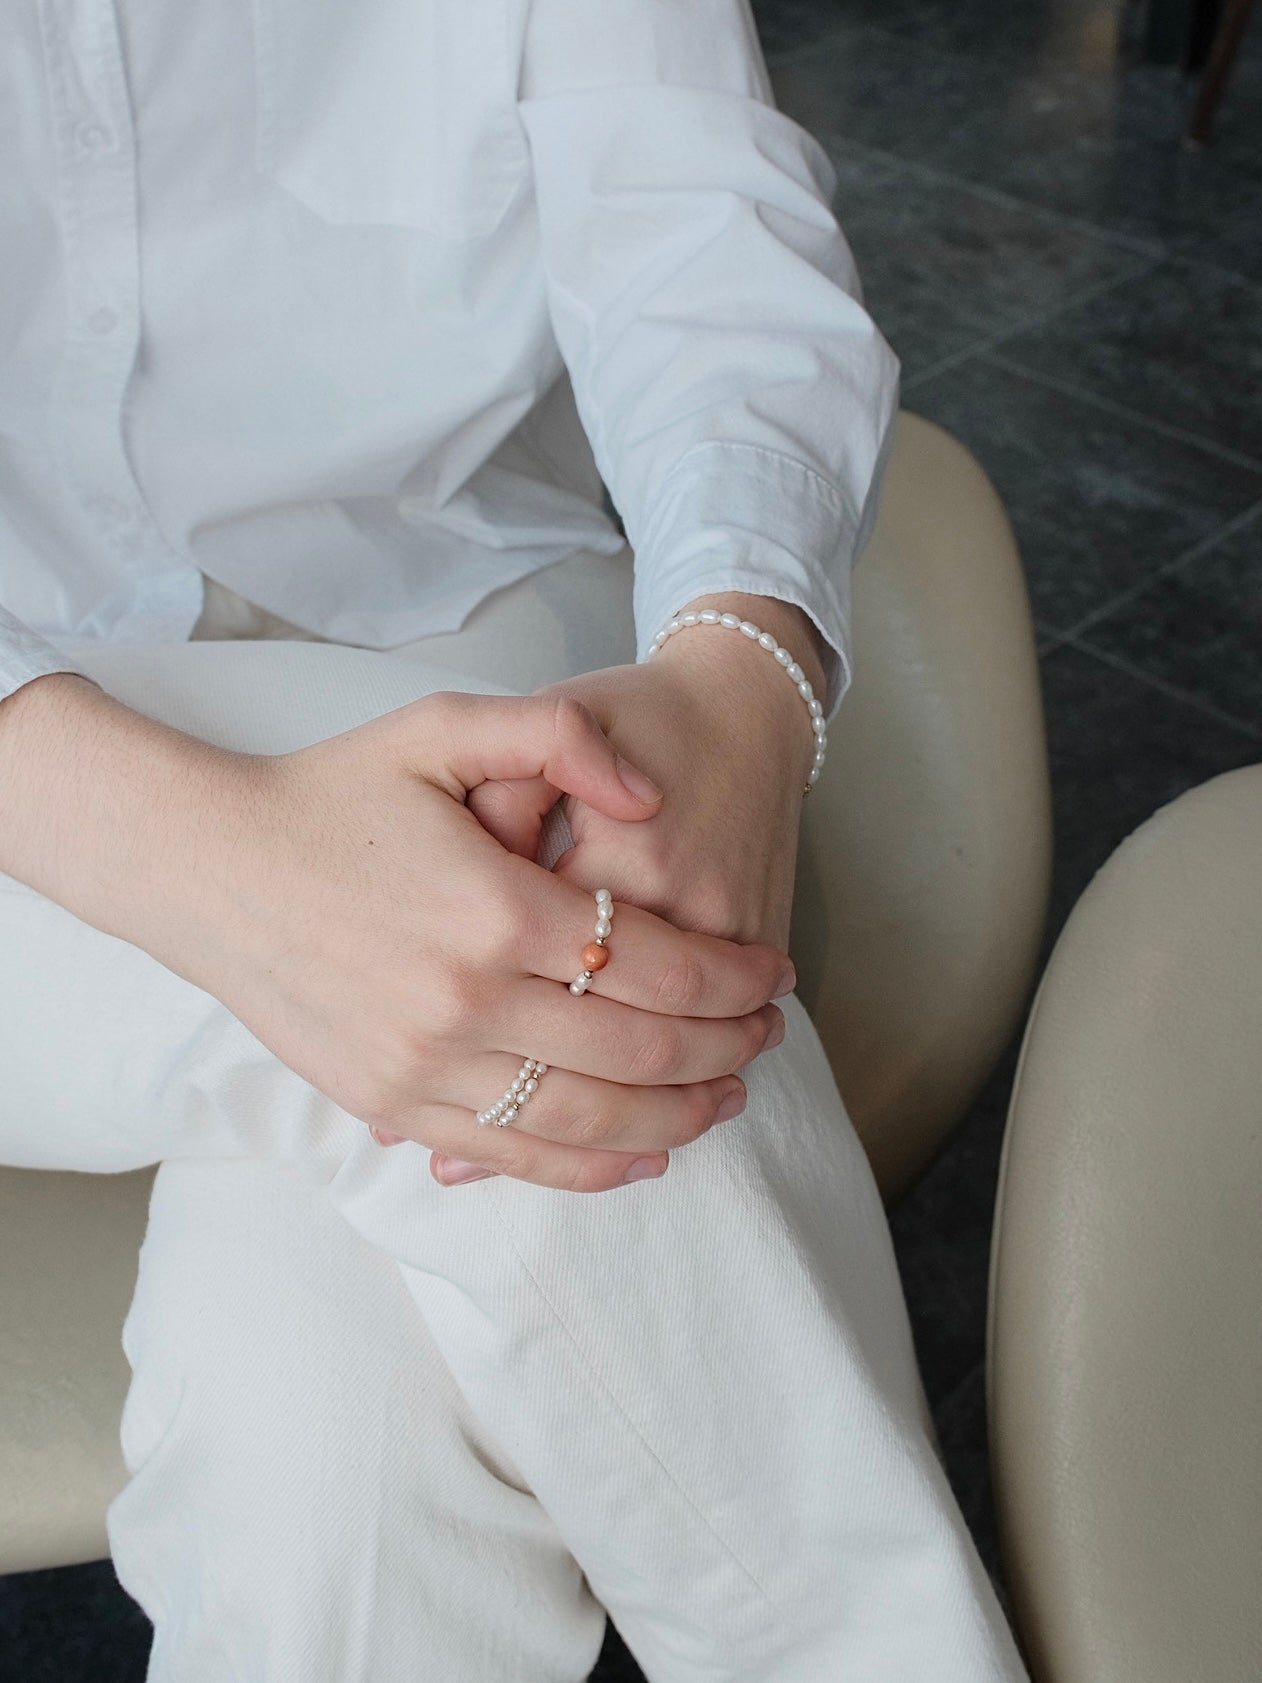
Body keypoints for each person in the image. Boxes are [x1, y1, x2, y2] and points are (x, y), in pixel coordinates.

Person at [0, 1, 1030, 1678]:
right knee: (589, 1011)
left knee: (329, 1459)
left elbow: (698, 219)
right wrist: (217, 871)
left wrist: (745, 667)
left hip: (452, 626)